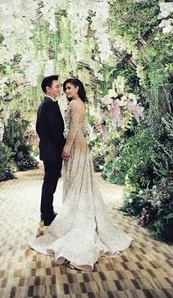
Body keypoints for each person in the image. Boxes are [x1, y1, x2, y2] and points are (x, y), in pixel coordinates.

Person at [30, 77, 132, 271]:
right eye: (62, 87)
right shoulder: (68, 104)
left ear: (77, 88)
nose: (65, 90)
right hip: (72, 147)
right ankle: (60, 212)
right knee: (73, 182)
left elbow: (75, 128)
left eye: (68, 87)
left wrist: (66, 147)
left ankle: (72, 214)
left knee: (77, 181)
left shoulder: (76, 104)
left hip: (75, 147)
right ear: (48, 88)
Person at [36, 75, 65, 226]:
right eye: (57, 86)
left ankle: (47, 212)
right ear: (48, 88)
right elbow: (56, 131)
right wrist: (64, 146)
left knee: (49, 183)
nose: (59, 89)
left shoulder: (45, 104)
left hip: (49, 150)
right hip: (53, 151)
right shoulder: (49, 104)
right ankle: (47, 215)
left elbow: (39, 129)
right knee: (50, 183)